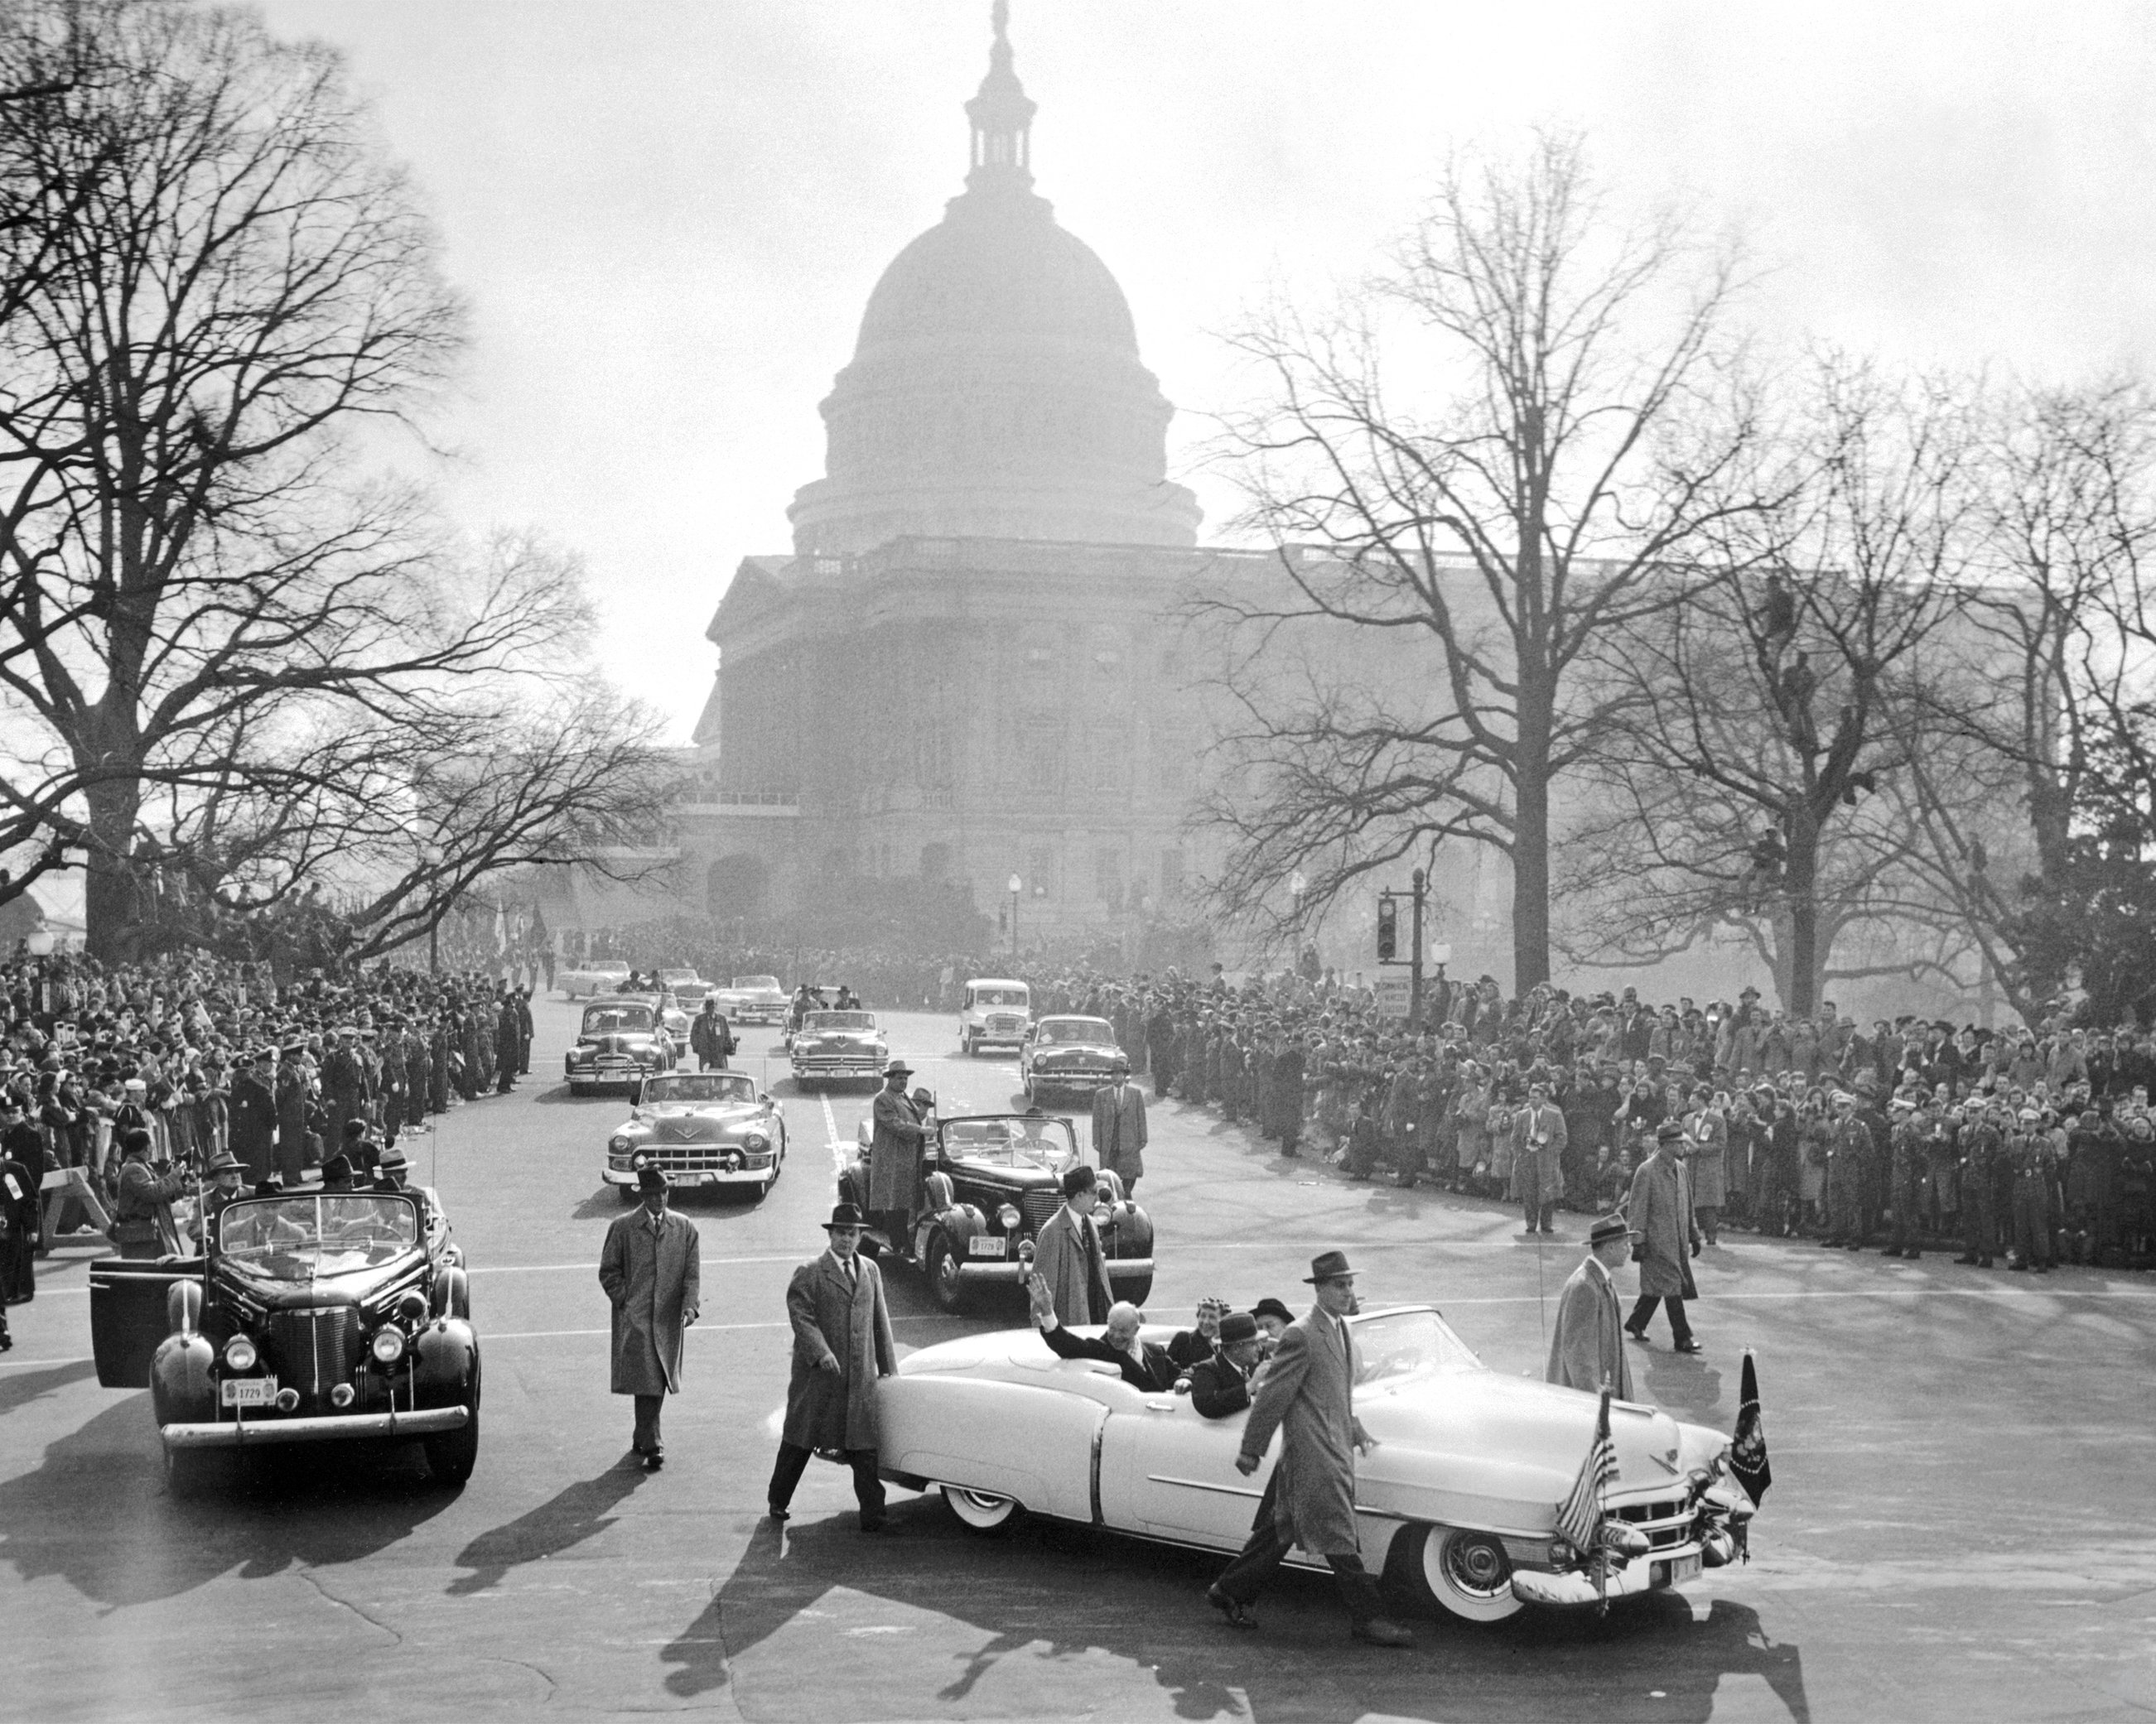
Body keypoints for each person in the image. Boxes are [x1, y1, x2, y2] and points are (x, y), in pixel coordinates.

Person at [1206, 1250, 1414, 1647]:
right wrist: (1252, 1449)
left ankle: (1229, 1590)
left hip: (1331, 1447)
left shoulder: (1340, 1329)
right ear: (1319, 1290)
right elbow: (1273, 1396)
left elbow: (1336, 1392)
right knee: (1339, 1535)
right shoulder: (1301, 1334)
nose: (1347, 1291)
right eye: (1339, 1285)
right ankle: (1367, 1619)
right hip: (1313, 1455)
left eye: (1350, 1284)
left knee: (1279, 1530)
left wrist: (1355, 1428)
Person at [769, 1202, 897, 1529]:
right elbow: (801, 1316)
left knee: (863, 1448)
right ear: (831, 1235)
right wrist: (821, 1351)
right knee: (801, 1439)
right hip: (820, 1380)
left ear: (860, 1235)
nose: (847, 1239)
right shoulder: (810, 1272)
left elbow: (880, 1323)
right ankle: (778, 1500)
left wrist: (888, 1368)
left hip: (859, 1379)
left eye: (853, 1233)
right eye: (841, 1233)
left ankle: (874, 1516)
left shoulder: (870, 1269)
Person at [598, 1164, 702, 1471]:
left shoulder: (684, 1228)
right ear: (643, 1196)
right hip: (638, 1318)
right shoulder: (623, 1227)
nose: (660, 1200)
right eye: (654, 1195)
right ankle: (654, 1441)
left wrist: (690, 1306)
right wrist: (626, 1301)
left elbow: (691, 1275)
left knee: (658, 1378)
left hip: (669, 1318)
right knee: (649, 1380)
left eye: (664, 1192)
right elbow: (608, 1271)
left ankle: (642, 1433)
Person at [1623, 1122, 1703, 1354]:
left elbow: (1688, 1206)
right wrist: (1638, 1242)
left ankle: (1636, 1322)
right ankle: (1683, 1337)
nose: (1682, 1146)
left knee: (1656, 1288)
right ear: (1666, 1145)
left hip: (1677, 1242)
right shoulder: (1647, 1171)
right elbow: (1637, 1210)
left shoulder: (1681, 1169)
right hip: (1657, 1243)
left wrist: (1694, 1235)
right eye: (1679, 1143)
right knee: (1672, 1288)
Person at [1025, 1277, 1178, 1391]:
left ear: (1136, 1330)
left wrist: (1185, 1380)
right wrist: (1047, 1311)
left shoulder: (1156, 1352)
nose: (1116, 1336)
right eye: (1112, 1329)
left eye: (1123, 1331)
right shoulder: (1101, 1350)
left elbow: (1181, 1376)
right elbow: (1066, 1344)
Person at [1546, 1215, 1639, 1397]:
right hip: (1593, 1406)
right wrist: (1597, 1405)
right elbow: (1580, 1359)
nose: (1628, 1250)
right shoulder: (1585, 1287)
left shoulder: (1599, 1281)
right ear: (1610, 1248)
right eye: (1624, 1244)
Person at [1027, 1163, 1113, 1327]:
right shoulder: (1052, 1232)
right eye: (1093, 1192)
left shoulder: (1091, 1224)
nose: (1097, 1198)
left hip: (1095, 1321)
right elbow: (1041, 1292)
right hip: (1069, 1330)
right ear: (1079, 1195)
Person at [867, 1060, 925, 1240]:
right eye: (900, 1078)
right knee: (894, 1201)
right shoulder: (883, 1098)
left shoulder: (902, 1097)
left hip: (906, 1157)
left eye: (905, 1079)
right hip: (892, 1158)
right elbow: (895, 1124)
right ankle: (896, 1241)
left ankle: (902, 1238)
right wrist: (920, 1130)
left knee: (904, 1201)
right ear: (890, 1079)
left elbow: (915, 1116)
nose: (903, 1082)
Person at [112, 1129, 183, 1259]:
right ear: (147, 1147)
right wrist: (173, 1177)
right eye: (152, 1143)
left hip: (147, 1232)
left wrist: (174, 1178)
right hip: (141, 1235)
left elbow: (159, 1191)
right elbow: (153, 1193)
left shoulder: (141, 1166)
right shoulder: (133, 1169)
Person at [1188, 1310, 1267, 1418]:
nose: (1260, 1348)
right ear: (1236, 1349)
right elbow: (1208, 1406)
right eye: (1253, 1344)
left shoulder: (1253, 1367)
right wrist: (1250, 1386)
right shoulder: (1208, 1371)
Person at [1515, 1080, 1568, 1233]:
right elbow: (1516, 1136)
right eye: (1530, 1097)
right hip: (1528, 1158)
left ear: (1544, 1099)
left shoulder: (1555, 1114)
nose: (1532, 1100)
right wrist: (1520, 1153)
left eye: (1535, 1098)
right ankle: (1531, 1222)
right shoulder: (1522, 1114)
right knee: (1529, 1191)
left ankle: (1546, 1223)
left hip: (1547, 1159)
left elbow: (1562, 1137)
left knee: (1547, 1190)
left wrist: (1551, 1153)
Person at [1092, 1057, 1148, 1197]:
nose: (1115, 1077)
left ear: (1124, 1075)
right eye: (1113, 1074)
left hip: (1129, 1144)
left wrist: (1143, 1138)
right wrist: (1096, 1140)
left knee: (1129, 1176)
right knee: (1109, 1178)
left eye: (1118, 1074)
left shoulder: (1135, 1094)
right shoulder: (1101, 1095)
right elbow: (1097, 1120)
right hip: (1109, 1144)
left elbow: (1141, 1118)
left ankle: (1126, 1197)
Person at [227, 1050, 278, 1186]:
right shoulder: (237, 1087)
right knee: (248, 1159)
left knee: (261, 1159)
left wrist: (270, 1125)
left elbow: (269, 1108)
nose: (241, 1074)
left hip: (258, 1129)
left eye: (244, 1070)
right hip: (243, 1130)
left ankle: (259, 1183)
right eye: (239, 1071)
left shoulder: (257, 1086)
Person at [1167, 1295, 1231, 1369]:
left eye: (1212, 1317)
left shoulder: (1226, 1346)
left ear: (1222, 1321)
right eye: (1203, 1316)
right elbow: (1167, 1371)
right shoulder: (1184, 1341)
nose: (1206, 1322)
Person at [690, 999, 732, 1072]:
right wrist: (698, 1047)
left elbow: (727, 1034)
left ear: (714, 1008)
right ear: (706, 1008)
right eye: (708, 1008)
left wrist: (728, 1046)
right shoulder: (699, 1019)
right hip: (705, 1054)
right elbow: (693, 1035)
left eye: (712, 1008)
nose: (710, 1010)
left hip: (719, 1054)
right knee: (705, 1075)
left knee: (721, 1074)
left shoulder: (721, 1019)